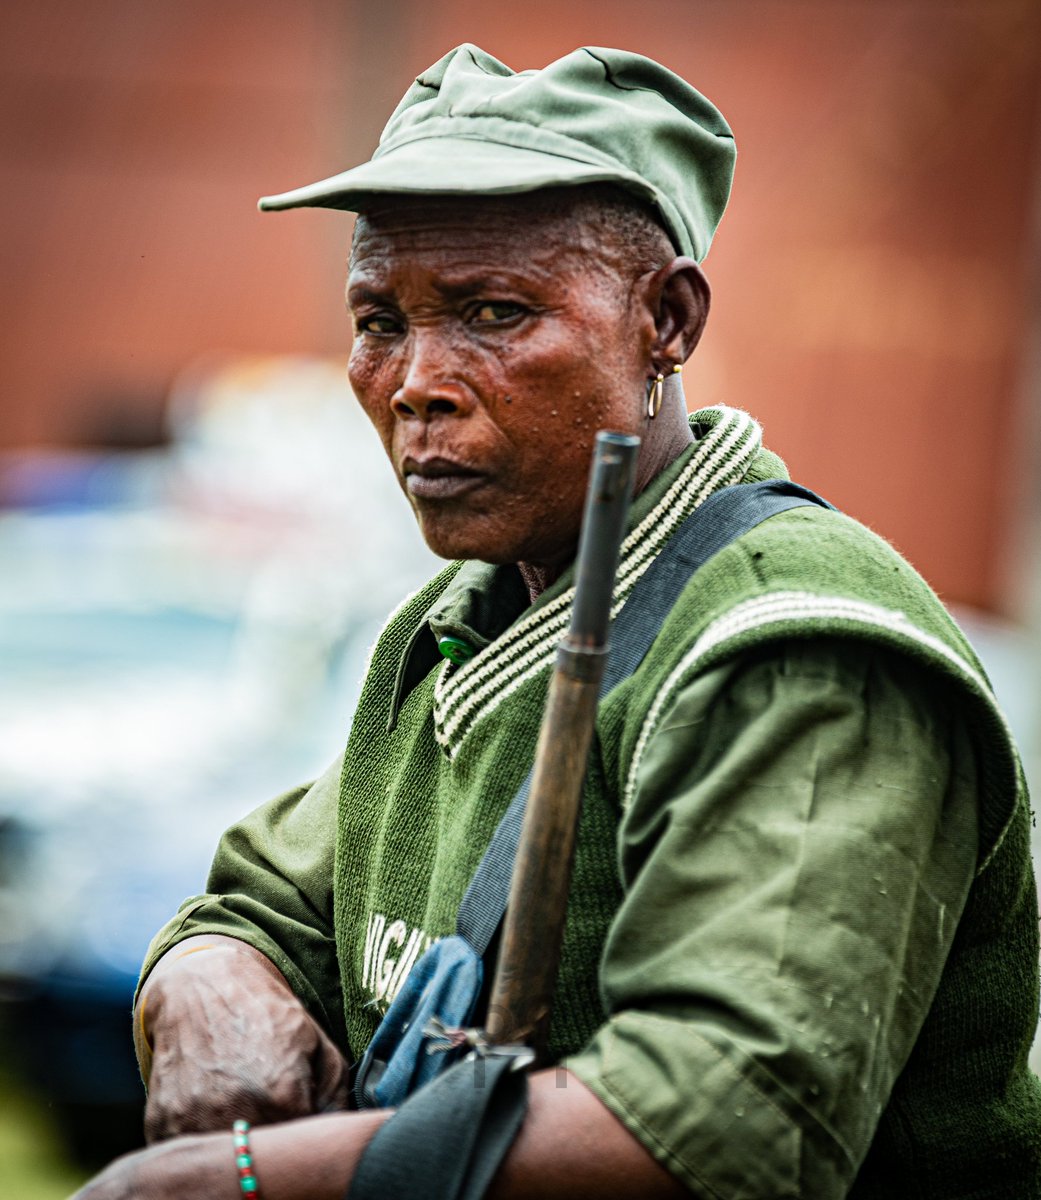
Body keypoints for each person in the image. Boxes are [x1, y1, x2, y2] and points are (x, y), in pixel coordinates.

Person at [74, 44, 1040, 1200]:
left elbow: (724, 1130)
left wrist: (225, 1179)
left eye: (494, 312)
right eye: (381, 319)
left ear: (666, 321)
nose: (418, 381)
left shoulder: (795, 649)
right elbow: (265, 898)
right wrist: (209, 987)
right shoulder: (464, 620)